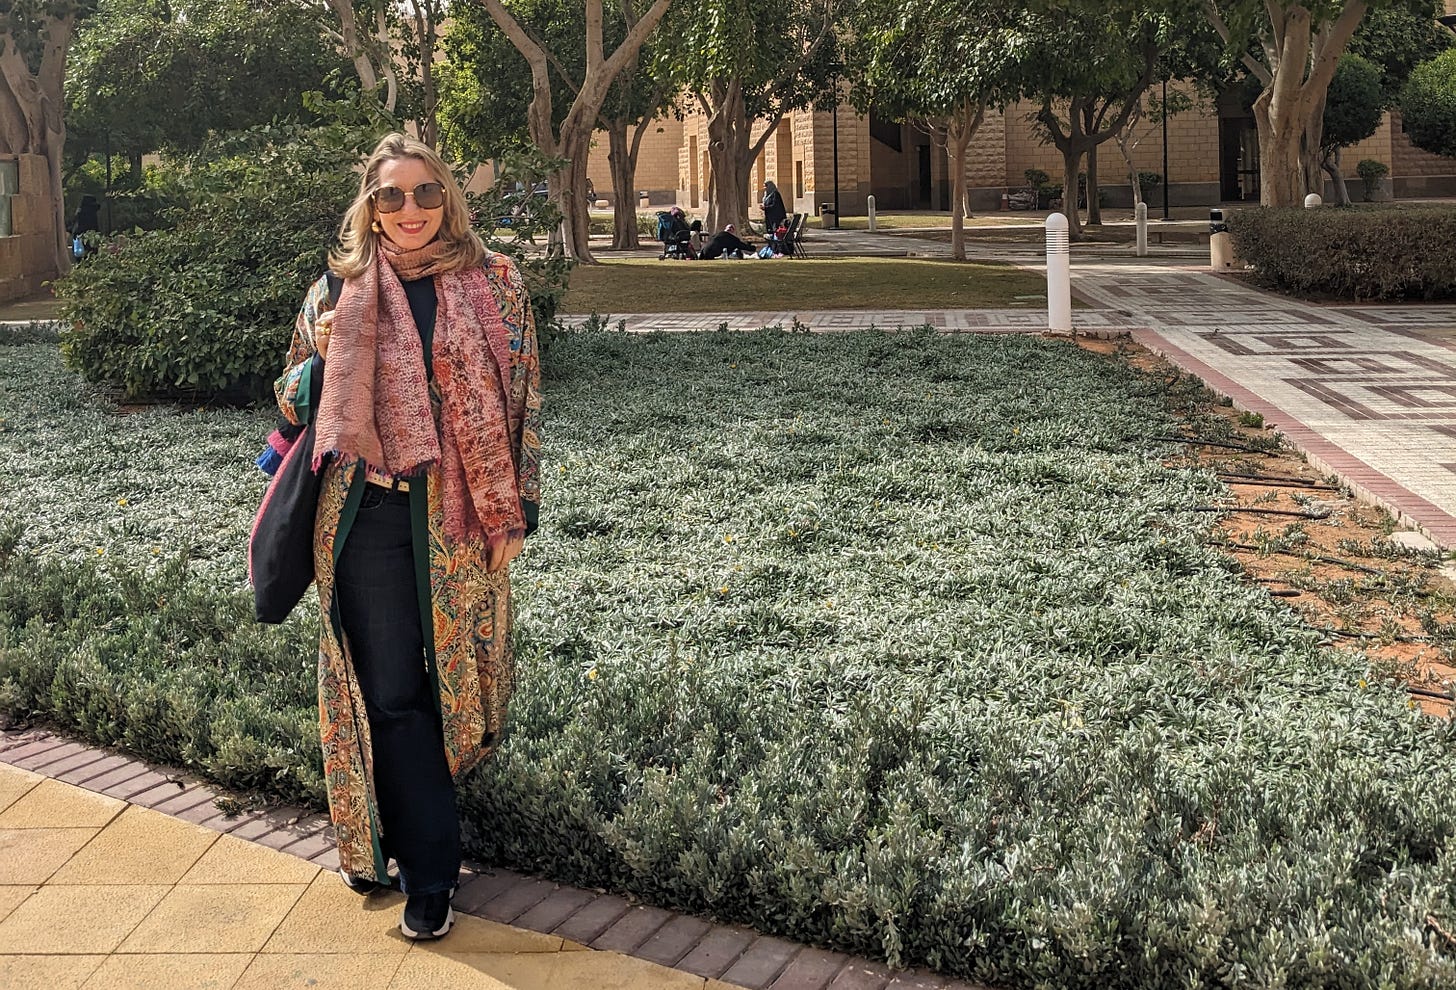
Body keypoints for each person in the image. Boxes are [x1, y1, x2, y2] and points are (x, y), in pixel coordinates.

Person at [272, 133, 541, 942]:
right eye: (391, 196)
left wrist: (515, 509)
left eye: (425, 193)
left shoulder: (495, 284)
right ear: (370, 206)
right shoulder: (337, 287)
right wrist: (320, 367)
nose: (410, 210)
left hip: (461, 515)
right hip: (367, 519)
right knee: (391, 695)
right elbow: (287, 403)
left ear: (448, 198)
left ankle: (418, 823)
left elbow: (525, 397)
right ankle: (427, 873)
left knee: (462, 690)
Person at [68, 194, 100, 258]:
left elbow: (74, 223)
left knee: (80, 255)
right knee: (91, 254)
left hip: (80, 235)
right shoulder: (92, 211)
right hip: (90, 236)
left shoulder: (80, 211)